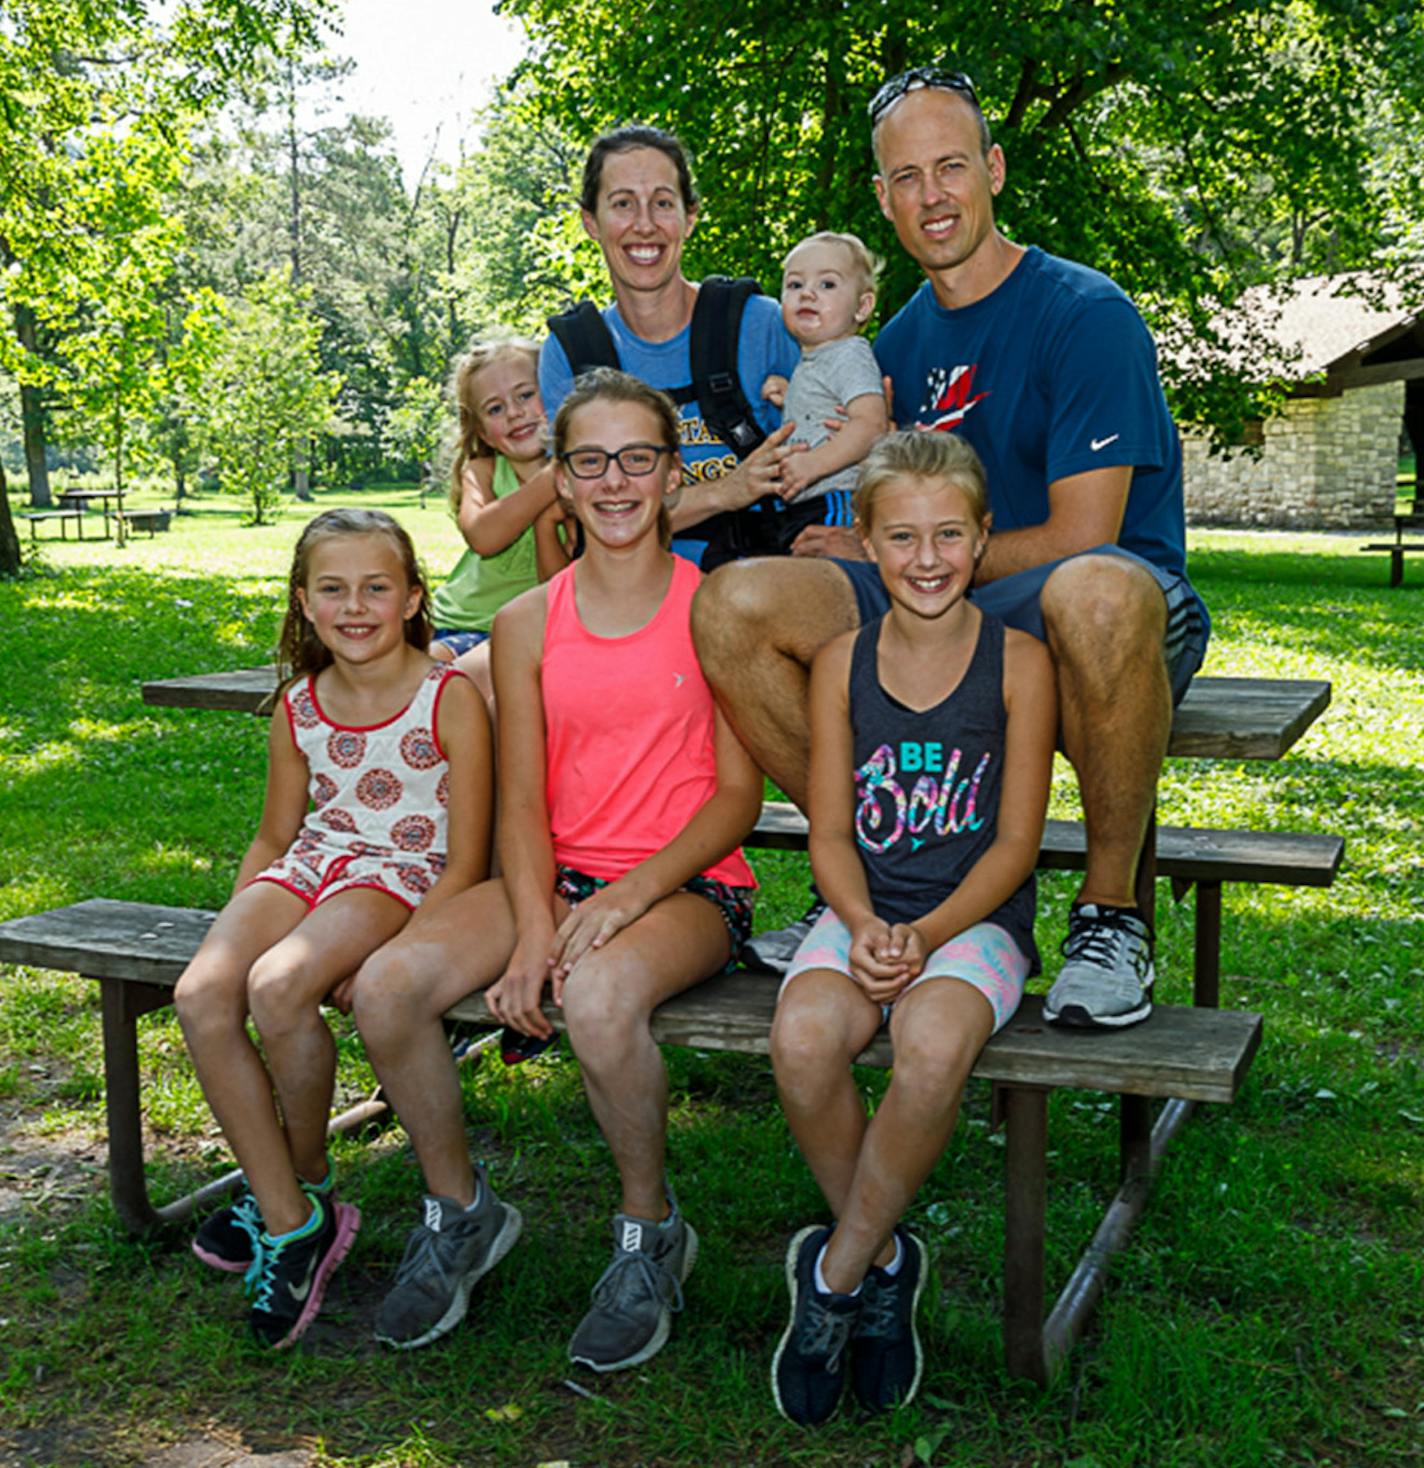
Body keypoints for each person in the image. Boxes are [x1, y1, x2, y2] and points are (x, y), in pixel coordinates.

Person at [695, 65, 1209, 1030]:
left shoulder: (1083, 314)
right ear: (883, 200)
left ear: (994, 169)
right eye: (906, 177)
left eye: (952, 167)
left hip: (1105, 610)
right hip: (944, 603)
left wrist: (886, 556)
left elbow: (1084, 536)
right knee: (735, 604)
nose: (933, 195)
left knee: (1095, 588)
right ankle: (874, 877)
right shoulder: (887, 346)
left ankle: (1111, 917)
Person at [348, 369, 762, 1365]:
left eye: (637, 458)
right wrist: (533, 928)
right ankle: (458, 1212)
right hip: (554, 873)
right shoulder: (529, 620)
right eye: (589, 461)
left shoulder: (718, 610)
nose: (614, 481)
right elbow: (524, 797)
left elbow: (734, 800)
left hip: (686, 884)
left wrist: (624, 898)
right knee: (386, 986)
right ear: (561, 484)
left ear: (671, 475)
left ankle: (645, 1228)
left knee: (601, 995)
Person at [769, 431, 1054, 1424]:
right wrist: (857, 922)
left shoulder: (1017, 662)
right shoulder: (841, 663)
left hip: (970, 919)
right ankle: (890, 1258)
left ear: (981, 539)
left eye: (947, 535)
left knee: (930, 1046)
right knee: (801, 1038)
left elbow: (1015, 842)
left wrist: (925, 933)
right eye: (900, 536)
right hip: (864, 907)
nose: (925, 558)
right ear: (865, 540)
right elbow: (832, 829)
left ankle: (840, 1271)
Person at [173, 507, 491, 1350]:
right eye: (334, 588)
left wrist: (406, 945)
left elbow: (470, 858)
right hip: (311, 863)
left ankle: (303, 1181)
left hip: (401, 874)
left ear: (414, 596)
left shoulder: (448, 696)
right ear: (304, 603)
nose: (356, 606)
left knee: (278, 986)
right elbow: (279, 836)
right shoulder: (299, 704)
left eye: (376, 587)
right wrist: (241, 916)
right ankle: (292, 1214)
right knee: (204, 991)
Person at [540, 123, 851, 567]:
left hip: (767, 573)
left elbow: (855, 435)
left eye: (662, 203)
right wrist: (725, 492)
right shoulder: (572, 352)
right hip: (636, 586)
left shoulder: (761, 323)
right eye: (623, 204)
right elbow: (584, 510)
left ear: (690, 217)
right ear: (591, 221)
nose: (644, 225)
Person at [429, 339, 568, 703]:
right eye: (494, 408)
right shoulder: (484, 472)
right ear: (480, 431)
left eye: (525, 395)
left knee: (458, 689)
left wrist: (544, 527)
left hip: (522, 633)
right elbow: (484, 536)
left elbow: (559, 587)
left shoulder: (585, 485)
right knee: (412, 681)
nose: (514, 413)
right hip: (454, 623)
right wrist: (554, 476)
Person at [759, 230, 889, 519]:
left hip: (839, 498)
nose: (807, 293)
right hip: (809, 501)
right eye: (795, 284)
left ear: (862, 306)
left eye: (827, 284)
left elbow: (871, 424)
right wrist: (791, 393)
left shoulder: (849, 354)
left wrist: (813, 464)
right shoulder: (818, 359)